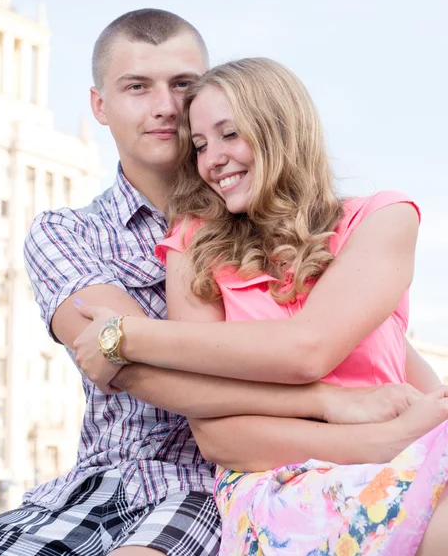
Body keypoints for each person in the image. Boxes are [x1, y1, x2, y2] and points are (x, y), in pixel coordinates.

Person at [0, 10, 426, 556]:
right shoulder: (71, 234)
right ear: (100, 105)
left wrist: (378, 412)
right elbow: (137, 371)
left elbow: (362, 348)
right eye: (137, 87)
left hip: (210, 488)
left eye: (183, 85)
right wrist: (333, 404)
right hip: (113, 480)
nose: (165, 105)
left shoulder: (290, 229)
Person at [72, 58, 448, 555]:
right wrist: (377, 443)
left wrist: (124, 336)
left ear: (281, 130)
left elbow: (308, 348)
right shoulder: (194, 245)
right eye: (201, 145)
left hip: (409, 450)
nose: (213, 160)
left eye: (230, 135)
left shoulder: (382, 219)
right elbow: (220, 438)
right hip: (284, 488)